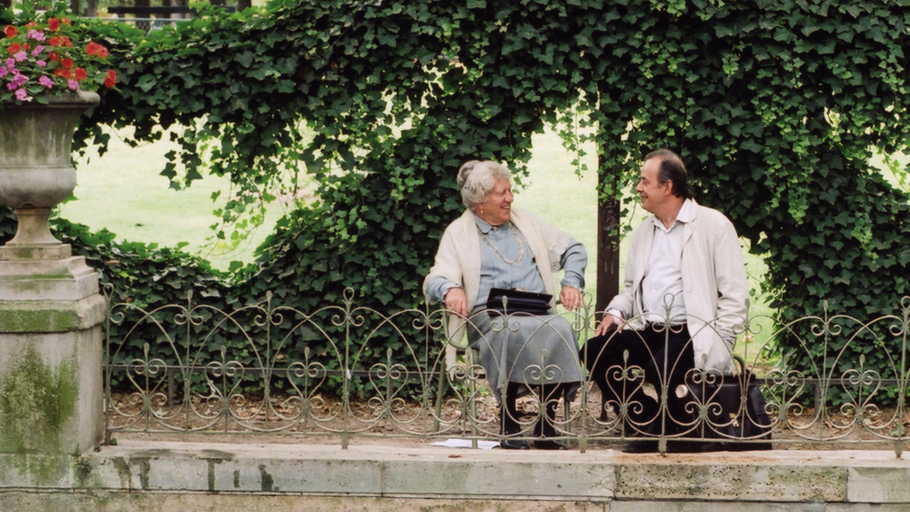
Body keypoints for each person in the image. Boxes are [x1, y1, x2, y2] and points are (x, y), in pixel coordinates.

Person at [581, 148, 748, 453]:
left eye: (645, 181)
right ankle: (646, 422)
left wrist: (721, 340)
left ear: (667, 186)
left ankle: (684, 431)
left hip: (693, 331)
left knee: (663, 366)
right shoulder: (645, 232)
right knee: (595, 350)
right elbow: (632, 288)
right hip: (651, 329)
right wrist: (617, 310)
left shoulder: (713, 225)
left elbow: (735, 294)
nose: (638, 188)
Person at [424, 160, 587, 450]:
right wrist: (451, 288)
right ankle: (509, 419)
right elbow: (435, 278)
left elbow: (573, 248)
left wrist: (572, 281)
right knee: (509, 329)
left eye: (509, 191)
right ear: (480, 201)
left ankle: (546, 422)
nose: (510, 198)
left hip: (537, 311)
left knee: (559, 326)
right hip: (488, 317)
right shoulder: (459, 233)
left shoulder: (526, 223)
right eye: (501, 193)